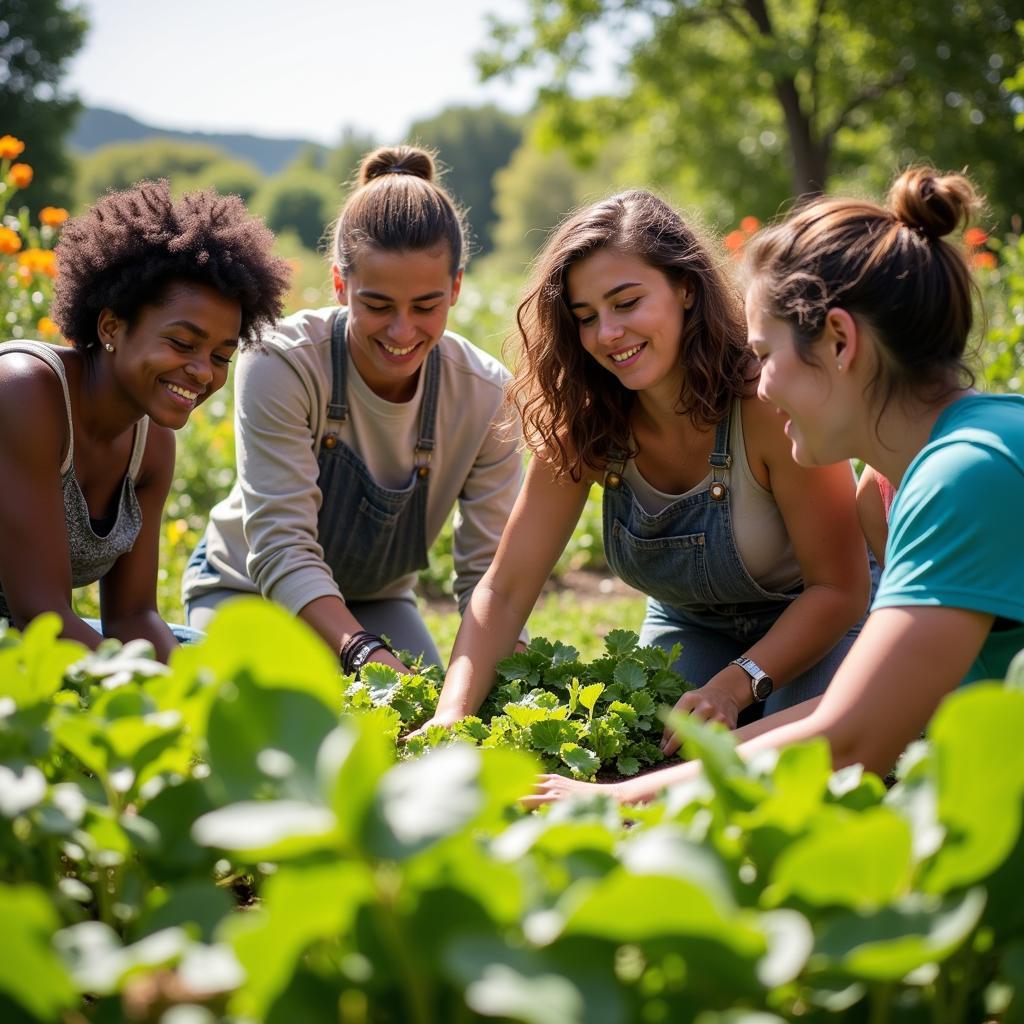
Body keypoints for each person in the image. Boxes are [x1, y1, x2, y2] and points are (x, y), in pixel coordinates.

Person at [526, 167, 1024, 807]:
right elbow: (845, 713)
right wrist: (647, 785)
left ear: (840, 341)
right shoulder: (887, 493)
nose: (755, 385)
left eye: (765, 355)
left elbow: (852, 739)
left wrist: (617, 799)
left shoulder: (968, 473)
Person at [426, 189, 872, 744]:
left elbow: (840, 589)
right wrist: (451, 713)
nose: (607, 334)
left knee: (783, 764)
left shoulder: (765, 404)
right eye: (586, 317)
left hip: (820, 624)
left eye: (626, 302)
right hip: (691, 628)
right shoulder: (585, 421)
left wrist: (733, 688)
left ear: (686, 289)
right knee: (650, 750)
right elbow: (506, 588)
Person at [183, 145, 524, 674]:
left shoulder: (485, 395)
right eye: (377, 305)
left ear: (456, 287)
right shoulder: (281, 362)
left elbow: (489, 572)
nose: (402, 332)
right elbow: (281, 548)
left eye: (427, 306)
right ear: (341, 284)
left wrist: (512, 673)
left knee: (423, 723)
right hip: (247, 588)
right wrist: (366, 655)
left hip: (375, 600)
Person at [0, 180, 289, 660]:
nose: (202, 372)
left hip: (22, 638)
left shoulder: (150, 444)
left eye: (221, 355)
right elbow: (43, 619)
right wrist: (173, 698)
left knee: (212, 657)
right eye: (182, 343)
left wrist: (198, 691)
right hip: (28, 634)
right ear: (111, 326)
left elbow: (133, 616)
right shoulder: (24, 392)